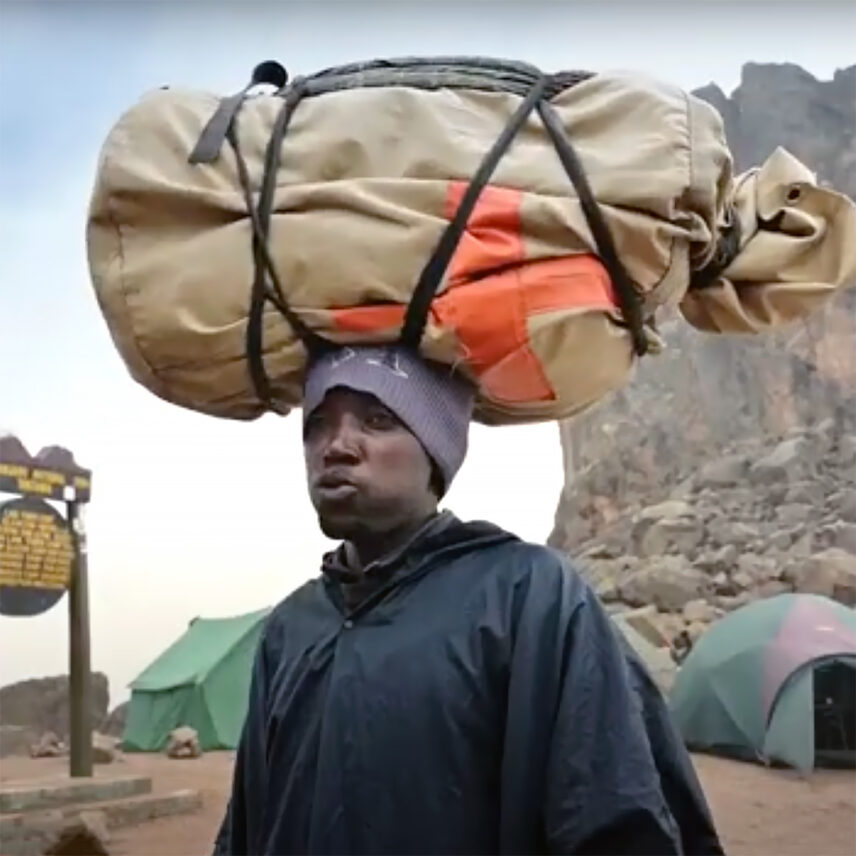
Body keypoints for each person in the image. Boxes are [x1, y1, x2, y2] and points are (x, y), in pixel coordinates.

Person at [213, 345, 723, 855]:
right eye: (317, 424)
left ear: (435, 453)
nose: (337, 446)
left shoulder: (528, 595)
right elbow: (248, 827)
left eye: (378, 419)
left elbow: (616, 813)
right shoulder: (290, 629)